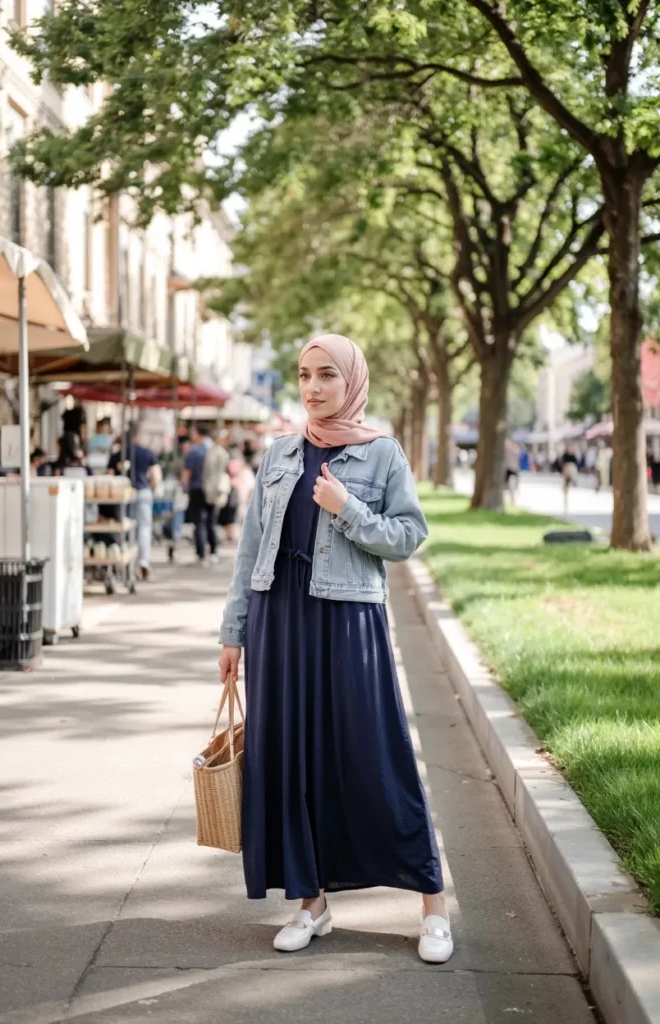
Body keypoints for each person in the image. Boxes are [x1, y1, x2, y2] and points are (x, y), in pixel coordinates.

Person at [218, 334, 451, 964]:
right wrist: (232, 631)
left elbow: (408, 536)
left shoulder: (382, 454)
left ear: (351, 379)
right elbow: (249, 551)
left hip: (347, 619)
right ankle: (311, 902)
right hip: (278, 619)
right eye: (304, 375)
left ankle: (432, 904)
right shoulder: (279, 453)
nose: (314, 387)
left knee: (375, 756)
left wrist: (349, 510)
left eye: (327, 375)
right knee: (290, 760)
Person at [109, 426, 161, 581]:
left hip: (124, 493)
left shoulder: (118, 454)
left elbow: (110, 476)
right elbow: (155, 476)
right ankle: (143, 561)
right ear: (137, 437)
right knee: (144, 528)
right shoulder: (147, 453)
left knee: (126, 528)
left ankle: (125, 561)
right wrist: (151, 490)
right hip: (144, 491)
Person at [182, 424, 217, 566]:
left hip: (197, 490)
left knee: (199, 522)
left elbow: (186, 472)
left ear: (198, 433)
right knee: (211, 521)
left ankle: (202, 555)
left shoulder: (194, 450)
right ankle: (214, 552)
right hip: (214, 490)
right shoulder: (215, 449)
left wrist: (184, 487)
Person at [561, 444, 579, 511]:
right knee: (566, 484)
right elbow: (563, 464)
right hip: (567, 470)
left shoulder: (573, 456)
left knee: (572, 470)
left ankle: (574, 482)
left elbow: (575, 464)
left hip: (571, 469)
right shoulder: (565, 456)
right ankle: (565, 492)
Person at [505, 440, 520, 504]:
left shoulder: (515, 451)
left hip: (513, 471)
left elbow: (518, 454)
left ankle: (513, 500)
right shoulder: (505, 452)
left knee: (512, 486)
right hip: (508, 470)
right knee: (507, 487)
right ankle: (510, 499)